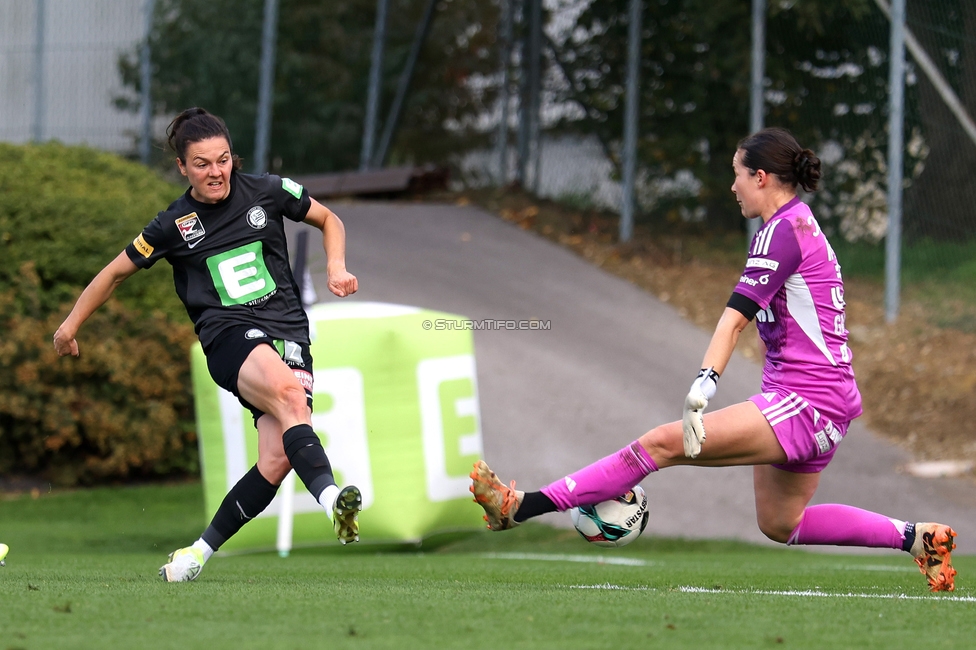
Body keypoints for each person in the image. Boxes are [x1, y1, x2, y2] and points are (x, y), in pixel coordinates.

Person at [470, 127, 958, 593]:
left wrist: (704, 383)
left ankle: (519, 507)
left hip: (807, 399)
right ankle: (919, 538)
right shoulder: (799, 224)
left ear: (760, 178)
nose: (733, 186)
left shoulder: (781, 232)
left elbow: (733, 320)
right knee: (780, 523)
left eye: (738, 174)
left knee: (659, 445)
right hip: (822, 399)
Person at [53, 107, 363, 582]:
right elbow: (114, 273)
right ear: (182, 167)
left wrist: (336, 266)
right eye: (202, 164)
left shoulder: (268, 190)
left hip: (288, 331)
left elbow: (329, 219)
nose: (216, 172)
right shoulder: (173, 225)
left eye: (222, 160)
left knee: (277, 459)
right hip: (228, 335)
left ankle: (195, 554)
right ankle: (332, 502)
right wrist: (70, 325)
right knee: (289, 396)